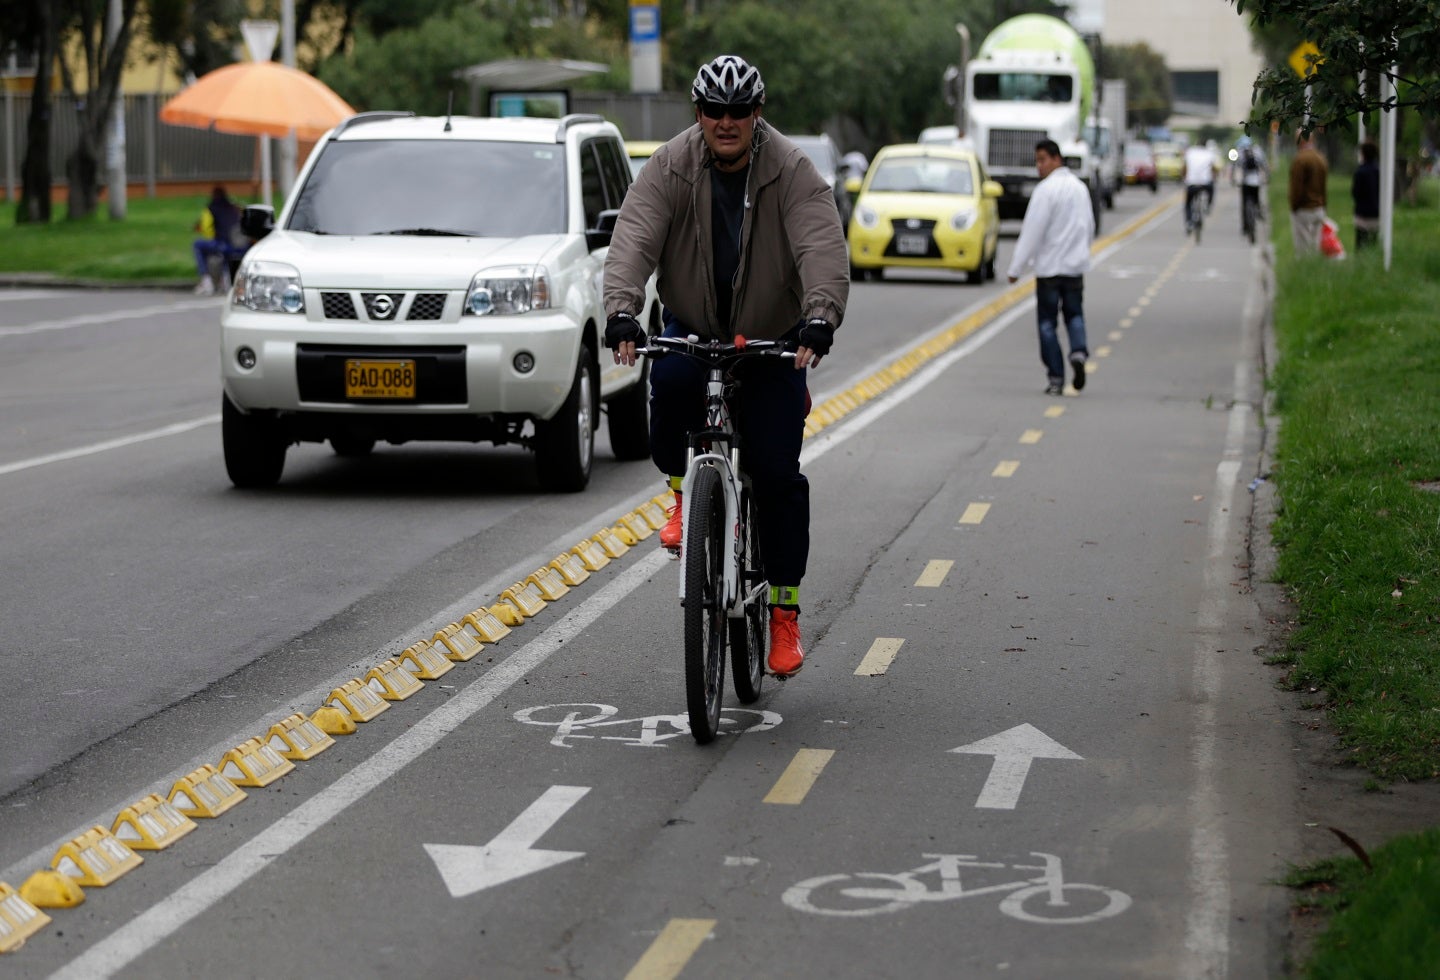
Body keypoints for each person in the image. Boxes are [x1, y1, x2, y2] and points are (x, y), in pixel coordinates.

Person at [602, 55, 849, 678]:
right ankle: (683, 494)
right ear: (699, 114)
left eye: (739, 110)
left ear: (757, 113)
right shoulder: (670, 166)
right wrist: (622, 311)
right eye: (715, 110)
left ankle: (784, 612)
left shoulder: (791, 170)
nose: (727, 121)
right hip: (694, 325)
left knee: (776, 475)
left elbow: (820, 244)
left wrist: (820, 315)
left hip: (771, 338)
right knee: (670, 381)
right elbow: (633, 238)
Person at [1007, 139, 1094, 396]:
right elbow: (1088, 225)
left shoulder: (1045, 191)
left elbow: (1032, 232)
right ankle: (1078, 351)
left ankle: (1056, 377)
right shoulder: (1080, 189)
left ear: (1057, 159)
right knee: (1074, 315)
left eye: (1043, 160)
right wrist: (1082, 253)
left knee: (1047, 323)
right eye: (1037, 161)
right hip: (1074, 267)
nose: (1039, 167)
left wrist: (1016, 268)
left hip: (1049, 269)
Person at [192, 186, 247, 295]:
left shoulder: (211, 208)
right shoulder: (235, 207)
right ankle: (227, 280)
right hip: (241, 246)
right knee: (228, 252)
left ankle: (206, 280)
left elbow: (207, 229)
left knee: (198, 244)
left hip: (223, 245)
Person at [1289, 130, 1329, 256]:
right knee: (1315, 245)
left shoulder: (1300, 160)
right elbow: (1324, 186)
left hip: (1303, 208)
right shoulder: (1321, 158)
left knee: (1302, 248)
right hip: (1319, 208)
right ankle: (1314, 269)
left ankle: (1303, 271)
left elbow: (1296, 187)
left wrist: (1294, 206)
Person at [1233, 135, 1268, 234]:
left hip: (1245, 181)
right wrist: (1267, 178)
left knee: (1244, 203)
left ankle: (1245, 227)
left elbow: (1234, 167)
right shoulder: (1257, 151)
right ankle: (1258, 211)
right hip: (1256, 181)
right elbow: (1264, 165)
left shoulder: (1239, 152)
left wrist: (1233, 180)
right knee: (1256, 198)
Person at [1351, 140, 1381, 250]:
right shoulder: (1380, 171)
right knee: (1374, 242)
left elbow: (1355, 192)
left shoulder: (1360, 172)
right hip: (1377, 212)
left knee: (1361, 242)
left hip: (1362, 213)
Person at [1182, 141, 1218, 231]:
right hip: (1205, 183)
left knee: (1188, 203)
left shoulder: (1190, 152)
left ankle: (1189, 222)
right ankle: (1208, 206)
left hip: (1191, 182)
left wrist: (1184, 178)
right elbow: (1213, 168)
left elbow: (1184, 168)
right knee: (1212, 189)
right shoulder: (1209, 153)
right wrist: (1214, 176)